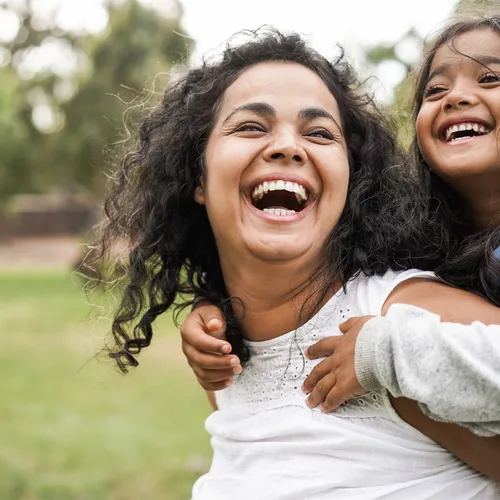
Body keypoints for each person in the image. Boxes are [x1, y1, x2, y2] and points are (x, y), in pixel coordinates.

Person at [96, 29, 500, 497]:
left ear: (352, 180)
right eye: (250, 126)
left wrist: (390, 353)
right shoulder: (224, 353)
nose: (287, 147)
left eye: (319, 133)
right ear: (197, 176)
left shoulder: (405, 322)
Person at [181, 13, 500, 439]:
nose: (456, 97)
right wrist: (216, 308)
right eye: (435, 89)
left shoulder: (398, 312)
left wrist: (384, 355)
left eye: (492, 78)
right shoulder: (424, 239)